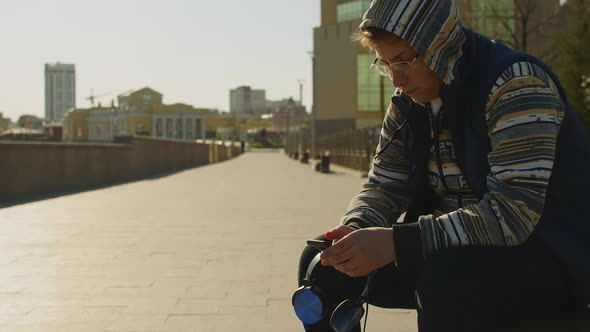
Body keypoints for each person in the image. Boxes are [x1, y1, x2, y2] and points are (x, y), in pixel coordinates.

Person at [296, 0, 590, 331]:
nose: (397, 78)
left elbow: (513, 214)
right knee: (322, 264)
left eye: (405, 60)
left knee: (446, 276)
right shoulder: (409, 103)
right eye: (385, 63)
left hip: (553, 253)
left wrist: (397, 242)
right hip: (452, 245)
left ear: (440, 46)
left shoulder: (516, 84)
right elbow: (384, 186)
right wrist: (356, 228)